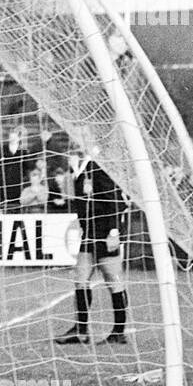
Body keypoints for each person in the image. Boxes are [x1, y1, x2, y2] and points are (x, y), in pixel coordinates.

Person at [54, 147, 128, 345]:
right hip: (90, 232)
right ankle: (81, 329)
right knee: (80, 278)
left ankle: (118, 331)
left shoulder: (98, 167)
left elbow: (115, 200)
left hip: (104, 232)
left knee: (114, 280)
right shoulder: (82, 168)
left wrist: (114, 231)